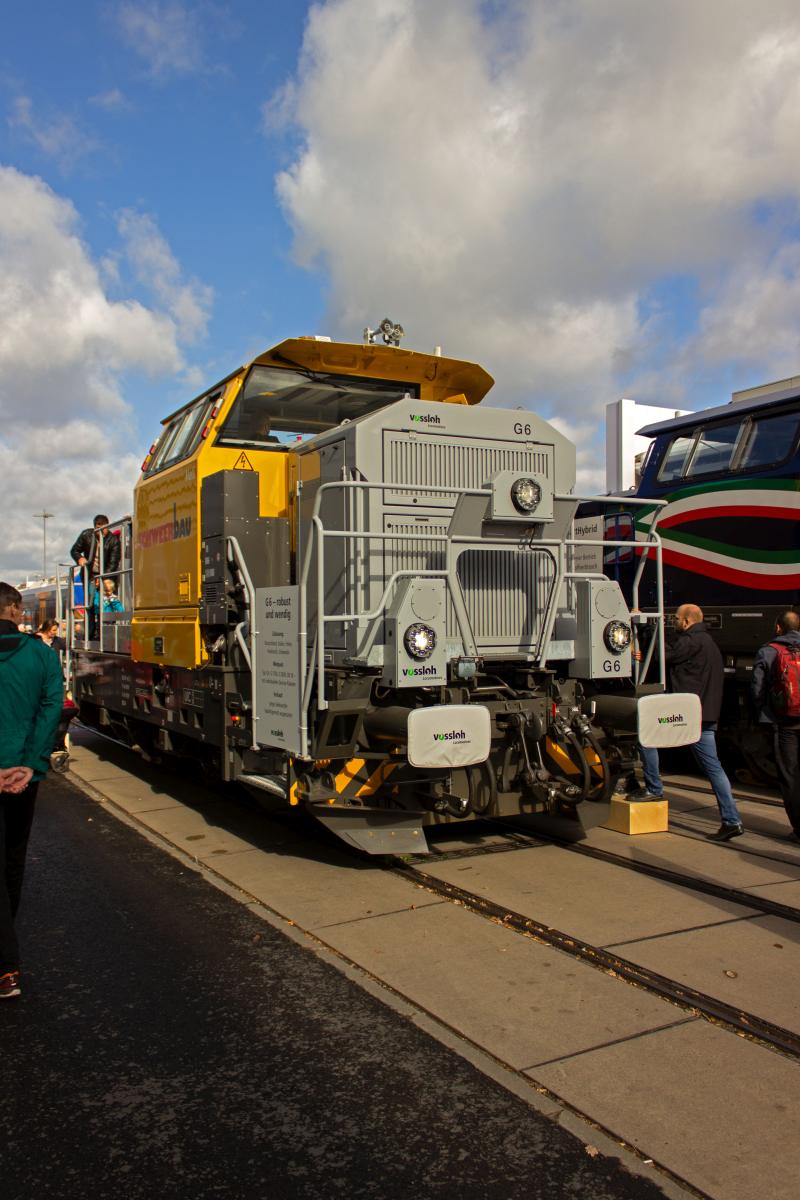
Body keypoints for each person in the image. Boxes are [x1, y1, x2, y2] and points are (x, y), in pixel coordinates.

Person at [0, 582, 64, 999]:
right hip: (25, 777)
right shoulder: (41, 654)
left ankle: (5, 961)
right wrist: (31, 762)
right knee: (13, 857)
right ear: (15, 610)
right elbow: (52, 706)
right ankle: (6, 964)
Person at [634, 603, 744, 841]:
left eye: (676, 619)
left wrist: (646, 628)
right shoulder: (710, 643)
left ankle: (654, 789)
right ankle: (732, 820)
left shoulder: (690, 642)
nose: (674, 622)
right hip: (706, 716)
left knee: (646, 737)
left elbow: (662, 654)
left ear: (686, 621)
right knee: (714, 767)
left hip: (684, 717)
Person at [752, 610, 800, 837]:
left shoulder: (768, 651)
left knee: (789, 775)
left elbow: (757, 689)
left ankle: (798, 828)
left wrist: (764, 715)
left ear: (778, 628)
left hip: (783, 723)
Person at [70, 514, 121, 639]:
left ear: (107, 527)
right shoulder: (86, 535)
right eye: (98, 529)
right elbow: (74, 550)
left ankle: (106, 633)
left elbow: (113, 563)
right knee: (91, 604)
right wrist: (80, 558)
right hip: (90, 575)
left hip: (107, 577)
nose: (101, 532)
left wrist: (103, 578)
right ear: (94, 528)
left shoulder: (113, 540)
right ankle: (91, 634)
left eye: (103, 529)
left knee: (105, 604)